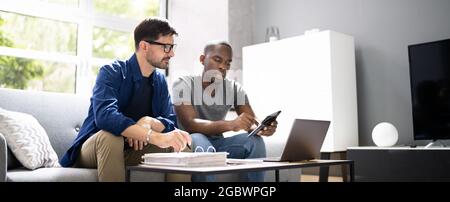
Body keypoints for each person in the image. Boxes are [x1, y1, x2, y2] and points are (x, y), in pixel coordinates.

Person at [60, 18, 191, 182]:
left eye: (172, 47)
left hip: (131, 151)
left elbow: (170, 122)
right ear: (144, 46)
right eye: (166, 47)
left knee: (179, 141)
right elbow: (106, 117)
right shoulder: (111, 72)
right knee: (111, 137)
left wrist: (148, 121)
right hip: (94, 149)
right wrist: (151, 136)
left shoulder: (160, 81)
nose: (171, 53)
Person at [172, 41, 277, 182]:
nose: (222, 67)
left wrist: (262, 127)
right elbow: (190, 124)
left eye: (228, 63)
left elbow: (251, 119)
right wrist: (231, 125)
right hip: (190, 143)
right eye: (217, 60)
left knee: (255, 141)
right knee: (199, 138)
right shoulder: (182, 84)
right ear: (202, 60)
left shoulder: (234, 88)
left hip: (219, 145)